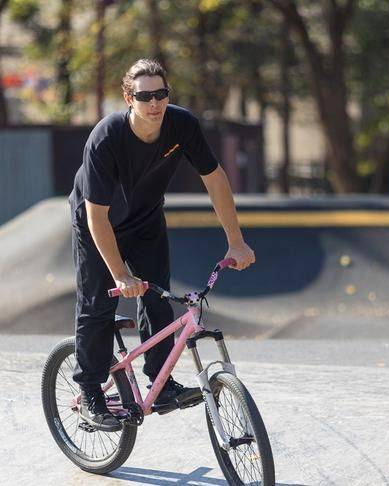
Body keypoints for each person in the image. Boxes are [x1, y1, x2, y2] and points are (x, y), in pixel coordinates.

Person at [68, 59, 255, 431]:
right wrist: (120, 274)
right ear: (129, 98)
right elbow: (96, 216)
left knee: (158, 297)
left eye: (161, 94)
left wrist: (236, 241)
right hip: (98, 223)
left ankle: (161, 380)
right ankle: (90, 390)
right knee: (98, 303)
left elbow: (215, 179)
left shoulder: (181, 124)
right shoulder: (107, 138)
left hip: (146, 219)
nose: (154, 103)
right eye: (145, 96)